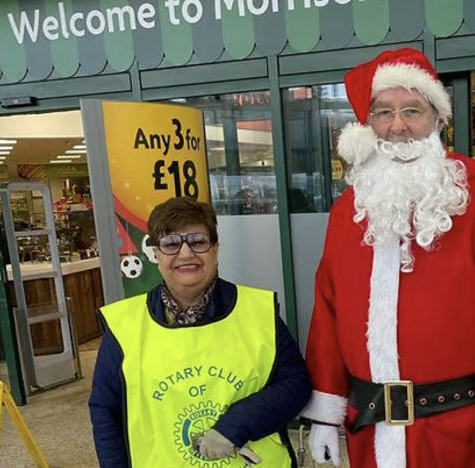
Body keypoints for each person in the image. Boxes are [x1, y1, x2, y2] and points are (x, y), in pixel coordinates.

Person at [301, 47, 475, 468]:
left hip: (456, 433)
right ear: (368, 125)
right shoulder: (349, 208)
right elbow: (327, 312)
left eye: (412, 110)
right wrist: (325, 412)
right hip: (369, 433)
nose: (398, 127)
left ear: (437, 119)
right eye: (383, 113)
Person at [89, 197, 312, 467]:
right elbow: (106, 410)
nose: (185, 254)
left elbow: (295, 383)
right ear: (156, 254)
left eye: (198, 241)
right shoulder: (124, 326)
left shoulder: (257, 312)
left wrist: (235, 426)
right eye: (171, 243)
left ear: (215, 249)